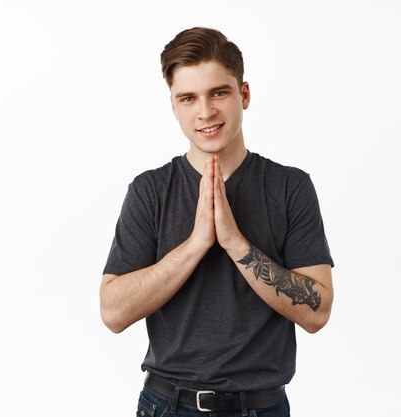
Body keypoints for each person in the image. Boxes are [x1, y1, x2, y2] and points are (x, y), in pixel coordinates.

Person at [100, 27, 334, 417]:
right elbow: (112, 313)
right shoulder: (149, 191)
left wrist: (235, 243)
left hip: (262, 406)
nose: (205, 112)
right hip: (167, 405)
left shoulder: (290, 186)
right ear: (174, 106)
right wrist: (195, 245)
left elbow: (318, 312)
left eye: (218, 93)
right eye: (188, 98)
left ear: (243, 94)